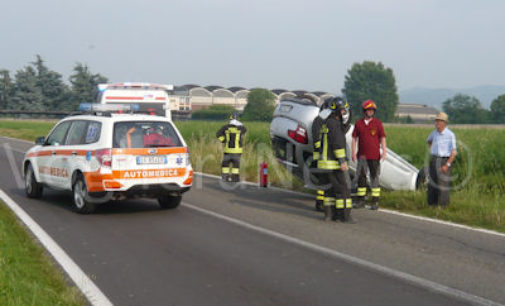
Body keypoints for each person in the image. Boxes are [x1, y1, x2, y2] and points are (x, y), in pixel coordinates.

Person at [317, 97, 353, 222]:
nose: (345, 113)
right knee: (343, 190)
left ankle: (329, 215)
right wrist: (342, 160)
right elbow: (337, 144)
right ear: (337, 111)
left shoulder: (326, 123)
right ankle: (344, 216)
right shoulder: (335, 124)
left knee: (329, 191)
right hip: (333, 163)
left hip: (325, 163)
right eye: (343, 111)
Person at [351, 99, 386, 210]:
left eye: (372, 110)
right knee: (361, 178)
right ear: (364, 111)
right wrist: (353, 152)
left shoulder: (377, 123)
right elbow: (354, 139)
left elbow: (382, 137)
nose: (370, 112)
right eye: (368, 110)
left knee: (374, 177)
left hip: (375, 156)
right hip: (362, 156)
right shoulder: (358, 123)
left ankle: (375, 201)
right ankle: (361, 200)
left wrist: (384, 151)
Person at [426, 112, 457, 206]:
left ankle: (443, 205)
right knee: (432, 183)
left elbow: (454, 152)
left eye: (438, 121)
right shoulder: (434, 133)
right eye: (436, 121)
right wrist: (432, 149)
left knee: (443, 184)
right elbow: (428, 141)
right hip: (434, 159)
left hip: (444, 160)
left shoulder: (450, 135)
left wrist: (447, 165)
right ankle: (432, 204)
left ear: (444, 123)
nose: (436, 123)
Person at [216, 113, 247, 182]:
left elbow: (218, 134)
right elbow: (245, 129)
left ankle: (225, 177)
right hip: (237, 151)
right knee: (236, 165)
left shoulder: (225, 127)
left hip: (228, 150)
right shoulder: (241, 128)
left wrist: (223, 140)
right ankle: (235, 178)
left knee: (225, 165)